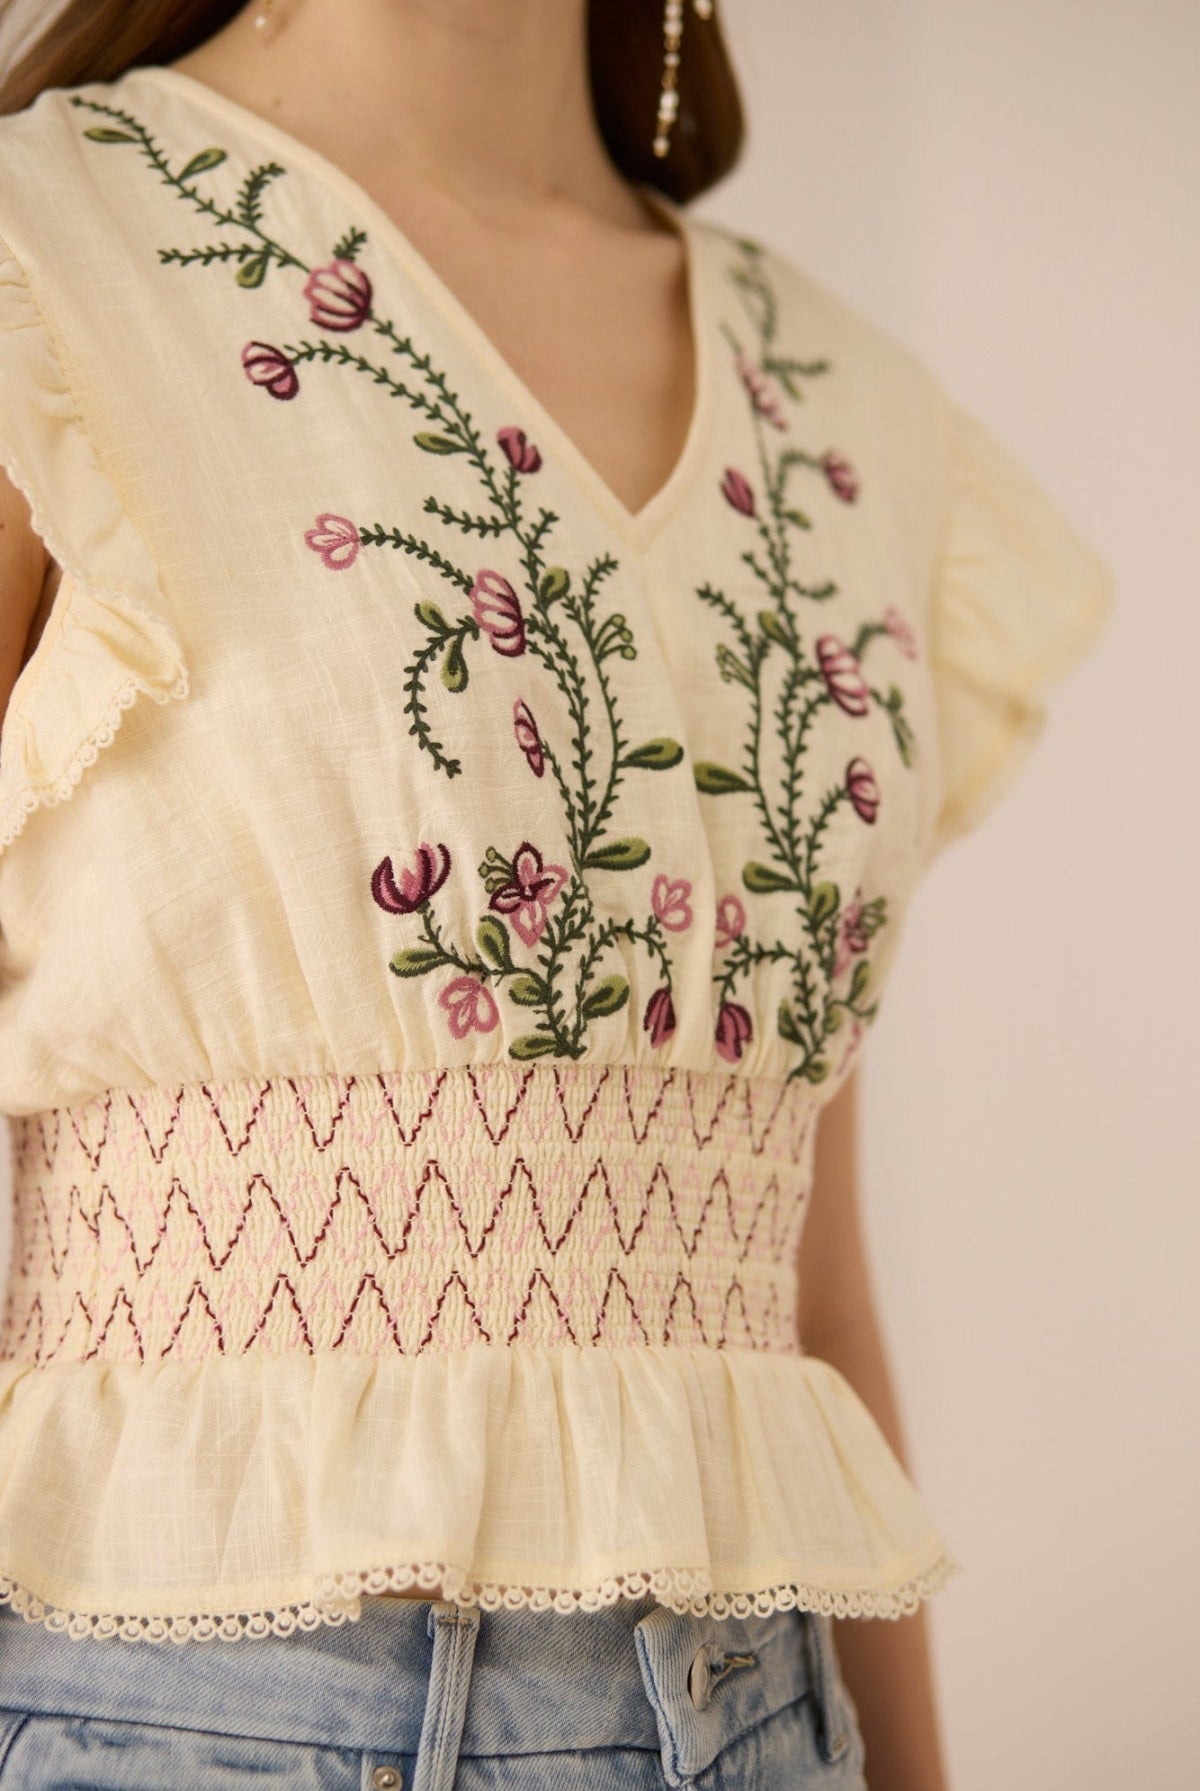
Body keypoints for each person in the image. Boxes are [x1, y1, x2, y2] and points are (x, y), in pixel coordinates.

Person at [0, 2, 1114, 1786]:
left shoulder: (847, 402)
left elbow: (806, 1292)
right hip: (194, 1721)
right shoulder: (50, 262)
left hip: (771, 1713)